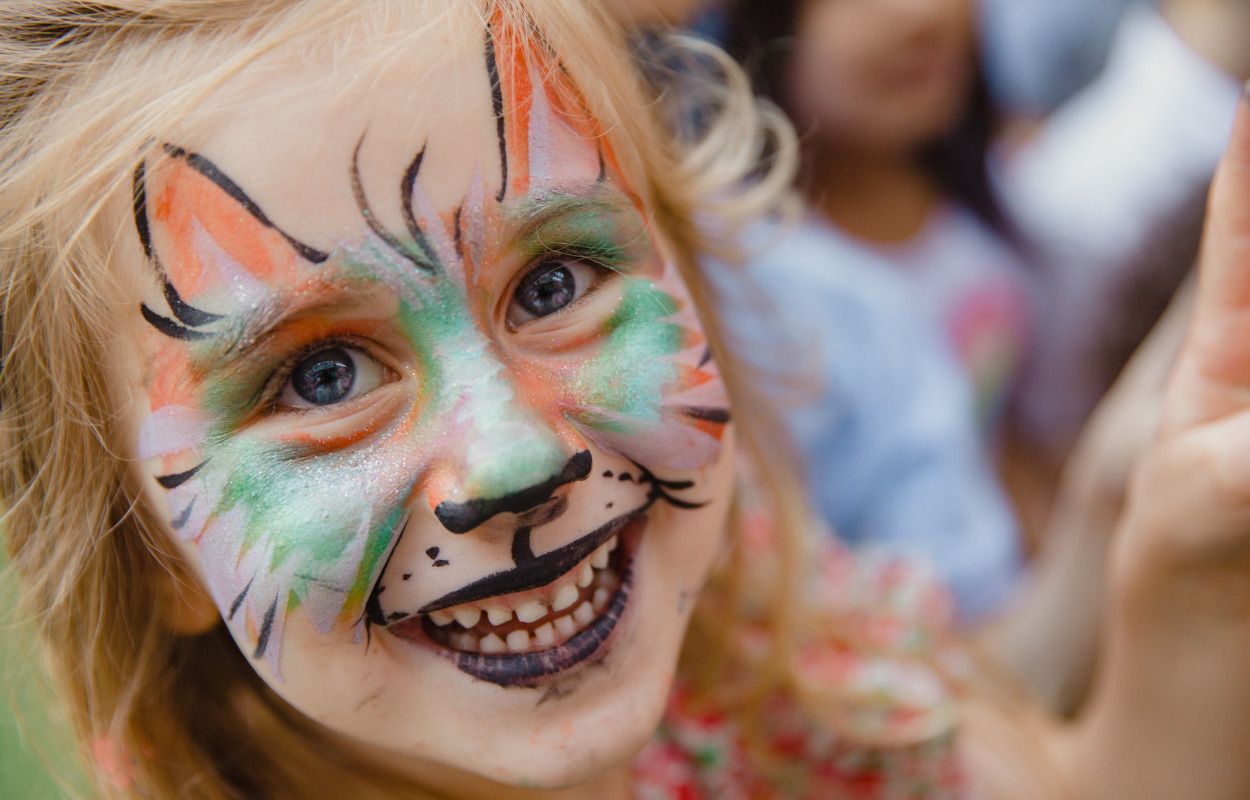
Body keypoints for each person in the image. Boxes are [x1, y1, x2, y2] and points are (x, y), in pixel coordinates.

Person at [7, 2, 1250, 798]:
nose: (513, 461)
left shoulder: (754, 650)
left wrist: (1183, 571)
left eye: (553, 280)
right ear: (143, 537)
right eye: (317, 376)